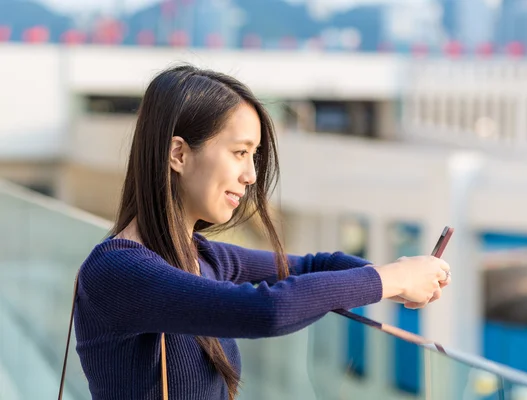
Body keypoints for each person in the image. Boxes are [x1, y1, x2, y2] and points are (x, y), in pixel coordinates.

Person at [74, 65, 451, 400]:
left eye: (254, 156)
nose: (252, 175)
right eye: (240, 152)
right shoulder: (115, 272)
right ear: (178, 154)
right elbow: (266, 311)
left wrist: (402, 276)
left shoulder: (204, 257)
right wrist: (390, 279)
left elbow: (319, 265)